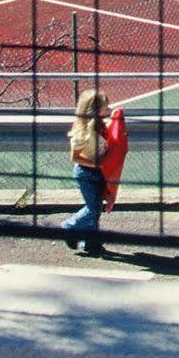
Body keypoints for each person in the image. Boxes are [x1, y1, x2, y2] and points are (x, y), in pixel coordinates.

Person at [62, 88, 111, 256]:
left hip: (98, 172)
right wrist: (94, 164)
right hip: (86, 173)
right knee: (93, 208)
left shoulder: (101, 125)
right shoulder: (82, 133)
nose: (109, 108)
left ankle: (91, 242)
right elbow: (74, 157)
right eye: (106, 105)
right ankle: (70, 226)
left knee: (96, 207)